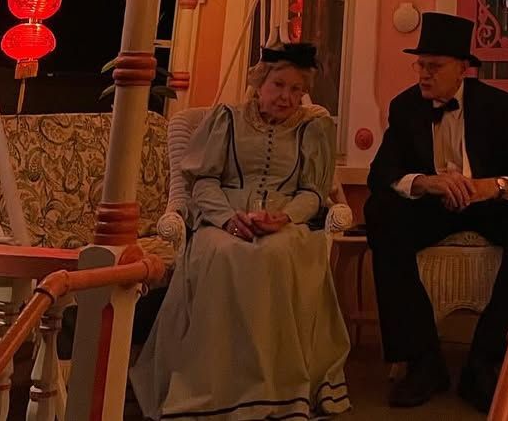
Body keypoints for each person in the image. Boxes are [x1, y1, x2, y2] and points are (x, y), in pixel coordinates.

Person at [131, 43, 350, 420]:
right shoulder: (226, 119)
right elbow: (203, 183)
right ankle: (216, 382)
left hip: (285, 222)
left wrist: (285, 218)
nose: (287, 97)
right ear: (260, 83)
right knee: (225, 251)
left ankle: (275, 387)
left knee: (276, 253)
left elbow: (313, 193)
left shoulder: (313, 127)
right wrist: (229, 218)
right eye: (279, 85)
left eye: (296, 90)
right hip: (223, 216)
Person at [366, 12, 508, 412]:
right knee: (380, 212)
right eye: (420, 64)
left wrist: (494, 186)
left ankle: (485, 360)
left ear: (462, 70)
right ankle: (422, 361)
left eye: (434, 66)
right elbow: (382, 173)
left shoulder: (492, 106)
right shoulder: (405, 108)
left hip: (484, 208)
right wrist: (425, 182)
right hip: (433, 208)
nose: (423, 74)